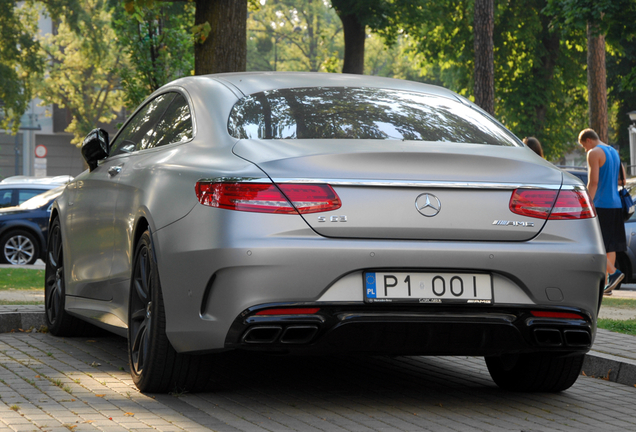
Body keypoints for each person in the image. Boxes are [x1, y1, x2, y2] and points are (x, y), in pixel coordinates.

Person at [578, 128, 627, 295]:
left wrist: (586, 205)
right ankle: (608, 284)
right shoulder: (613, 151)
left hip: (601, 205)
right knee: (609, 245)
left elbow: (593, 182)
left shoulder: (594, 153)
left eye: (583, 145)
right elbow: (623, 180)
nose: (585, 149)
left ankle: (613, 273)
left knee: (595, 243)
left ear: (588, 140)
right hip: (616, 204)